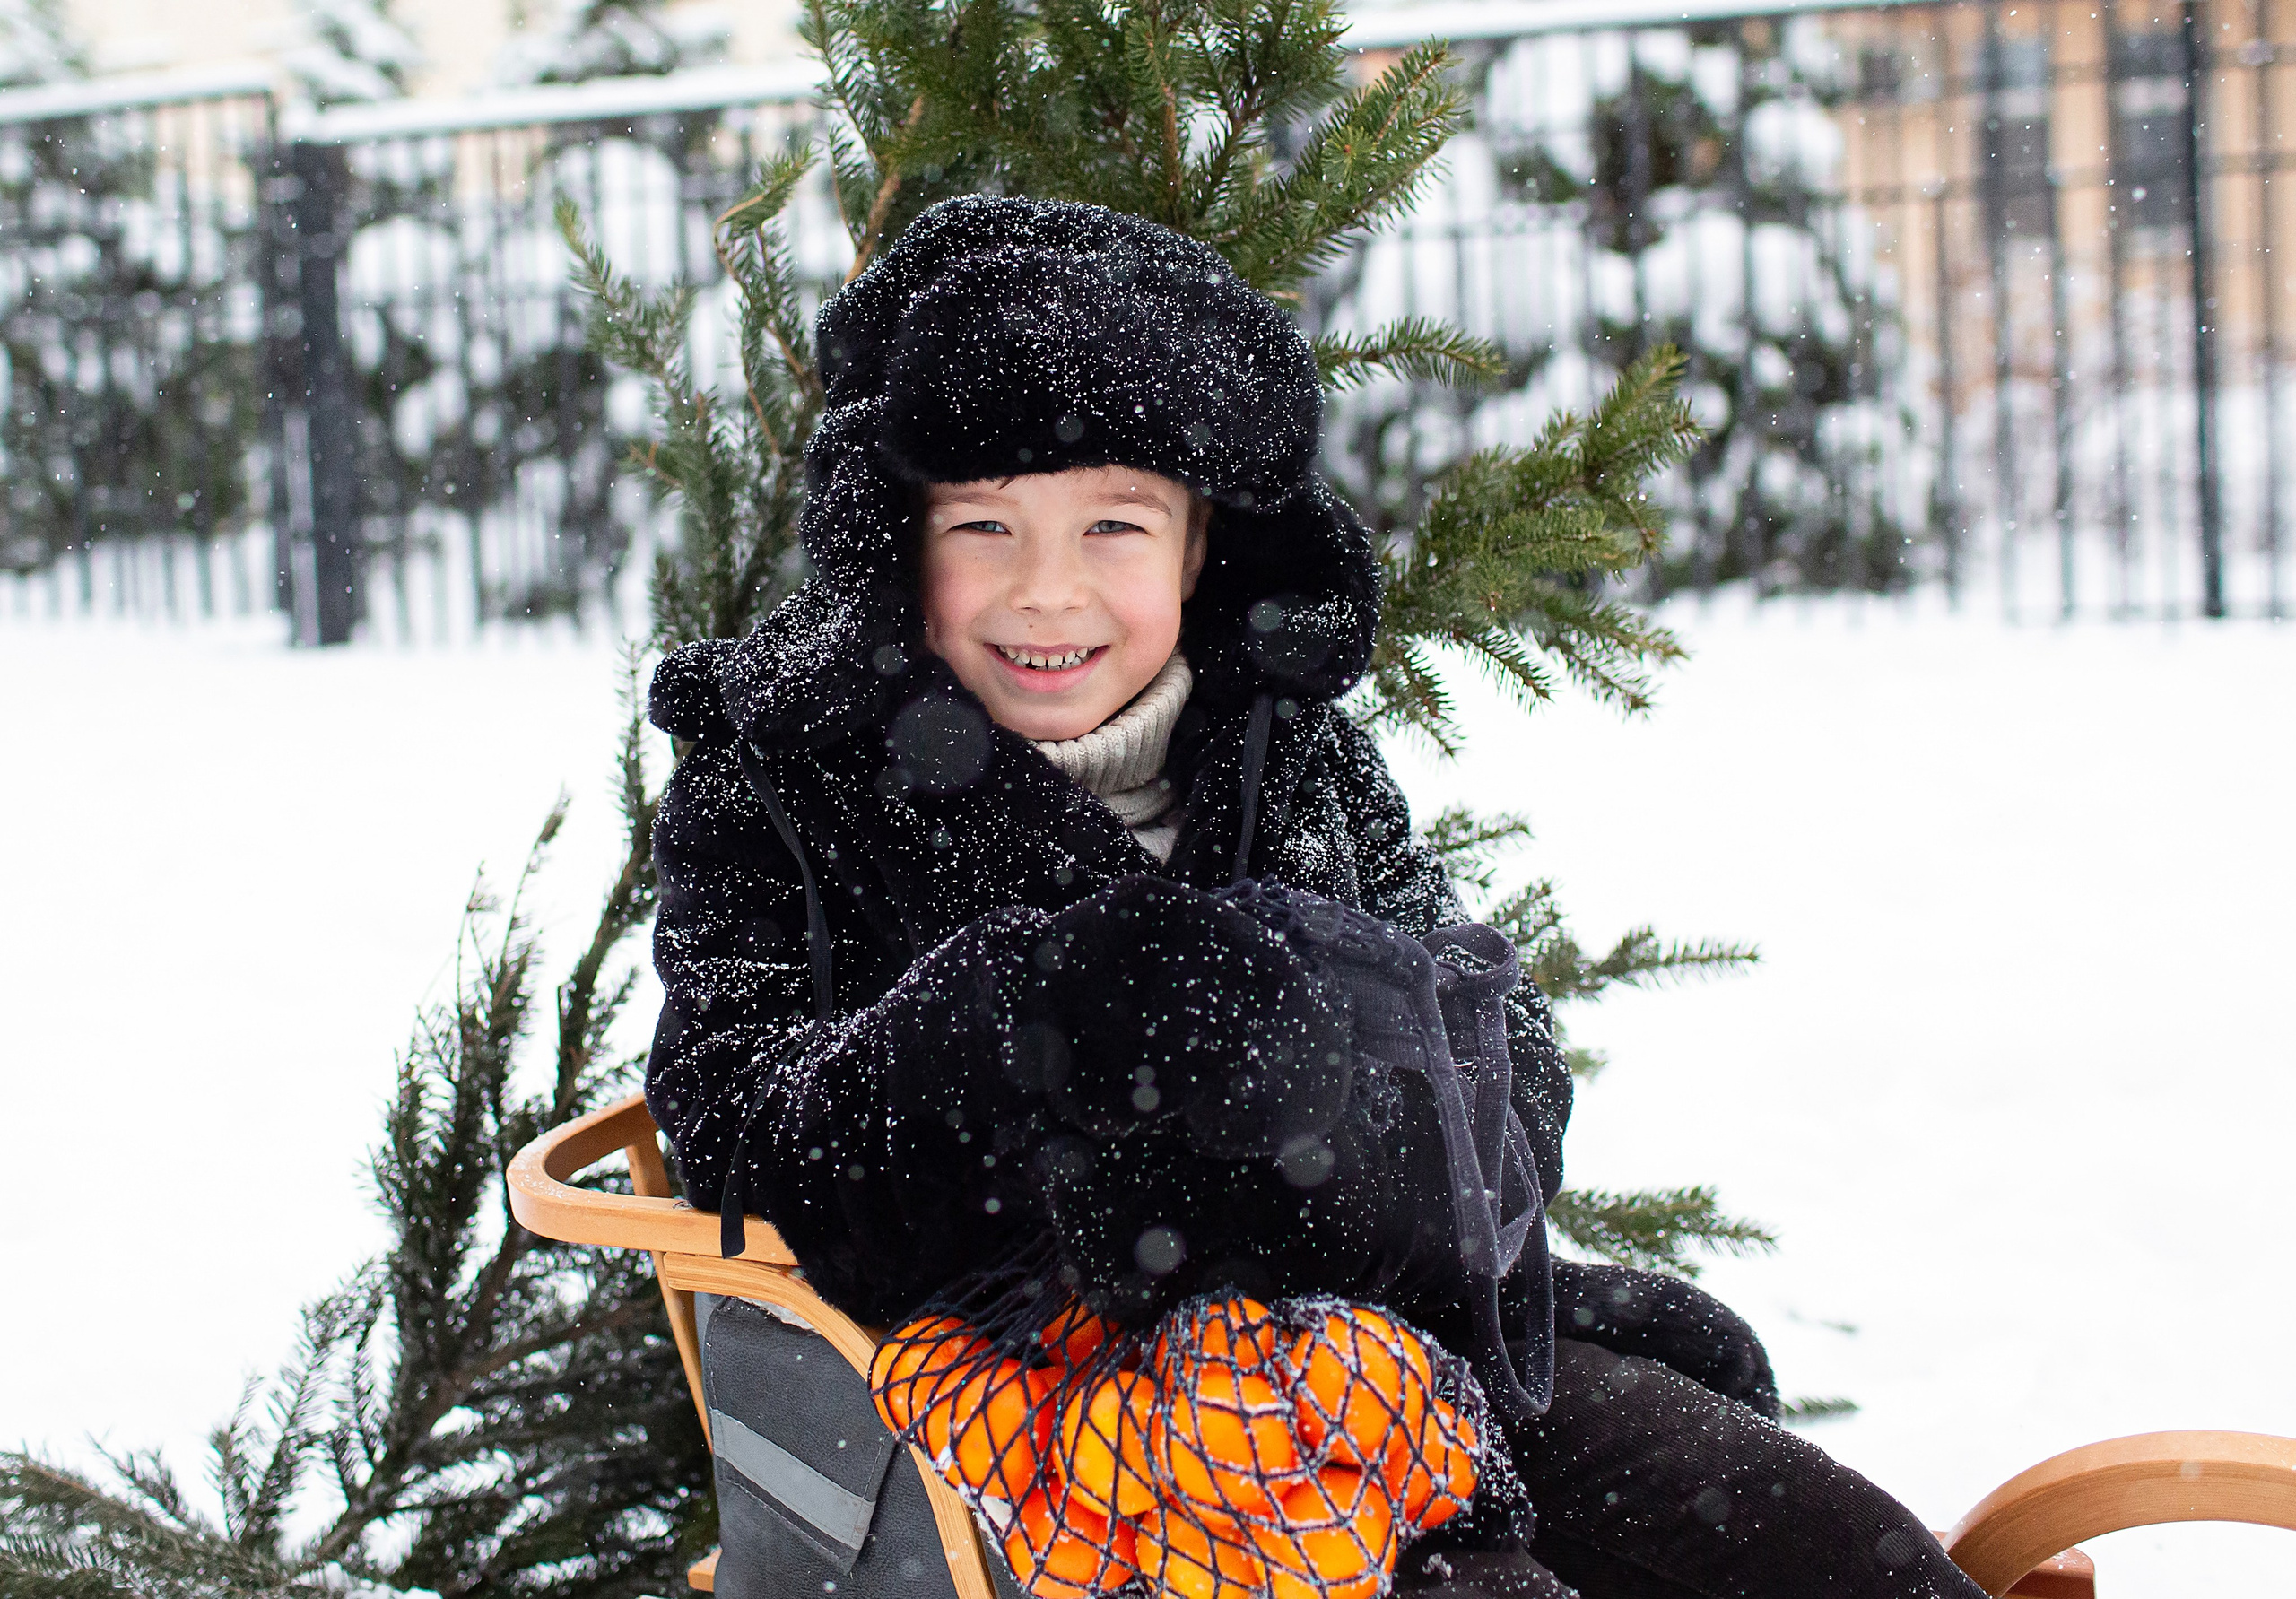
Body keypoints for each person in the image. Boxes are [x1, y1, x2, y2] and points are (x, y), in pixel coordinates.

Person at [643, 196, 1986, 1599]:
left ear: (1201, 545)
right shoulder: (784, 777)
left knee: (1807, 1539)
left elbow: (1495, 1043)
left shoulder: (1286, 747)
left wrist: (1338, 1096)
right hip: (1032, 1440)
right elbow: (746, 1136)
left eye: (1115, 523)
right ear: (896, 539)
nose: (1048, 593)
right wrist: (1040, 1025)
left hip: (1383, 1341)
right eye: (985, 524)